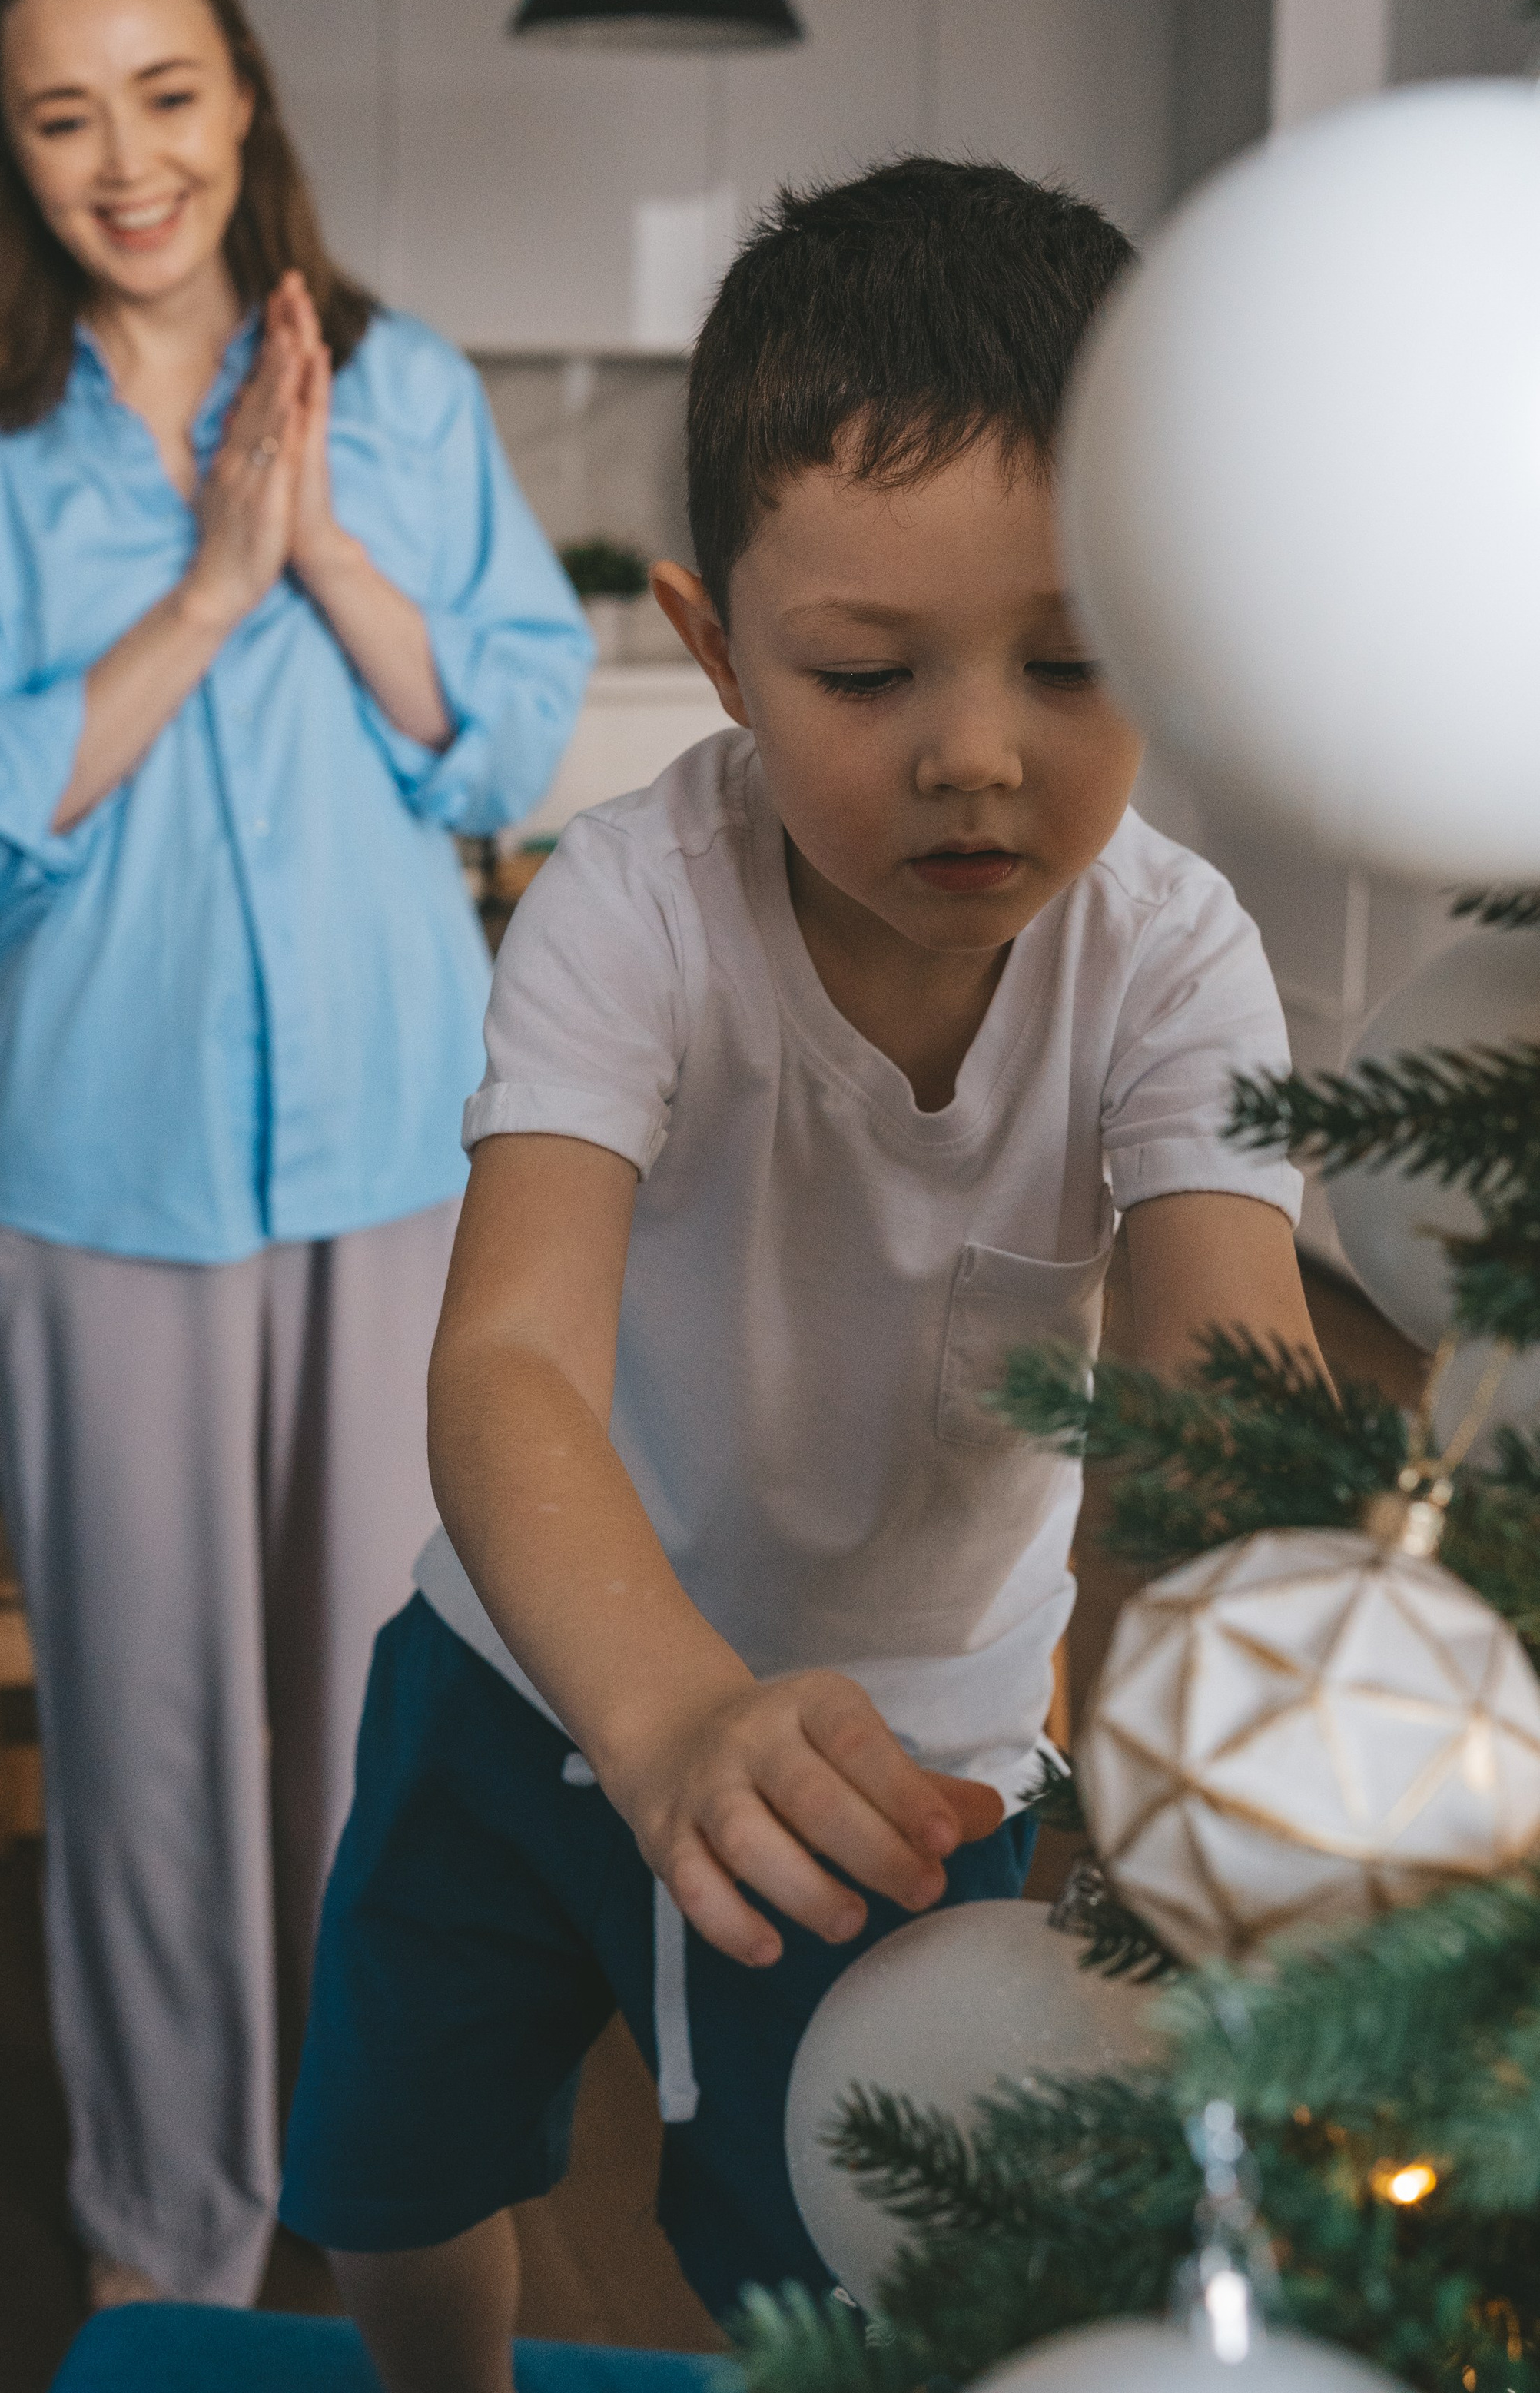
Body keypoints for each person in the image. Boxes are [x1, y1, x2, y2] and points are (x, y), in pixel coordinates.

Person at [276, 158, 1325, 2383]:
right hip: (529, 1677)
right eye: (868, 669)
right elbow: (510, 1374)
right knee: (398, 2154)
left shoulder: (1175, 956)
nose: (977, 746)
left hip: (917, 1765)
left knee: (854, 2260)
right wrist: (656, 1709)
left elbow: (1216, 1404)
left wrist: (1209, 1774)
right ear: (714, 645)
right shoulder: (627, 904)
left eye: (1070, 656)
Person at [0, 0, 592, 2309]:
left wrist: (331, 552)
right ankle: (171, 2240)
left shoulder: (407, 388)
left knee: (386, 1731)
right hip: (113, 1173)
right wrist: (201, 586)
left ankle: (368, 2185)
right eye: (63, 114)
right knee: (154, 1746)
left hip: (394, 1142)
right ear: (15, 151)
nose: (126, 156)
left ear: (243, 94)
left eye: (163, 93)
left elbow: (501, 734)